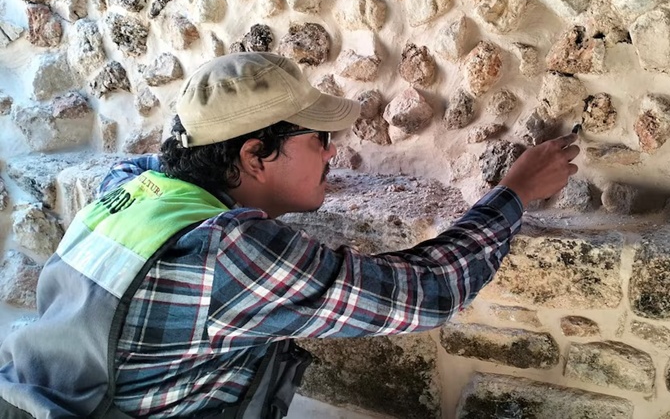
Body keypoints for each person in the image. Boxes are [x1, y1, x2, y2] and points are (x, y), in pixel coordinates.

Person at [0, 52, 579, 419]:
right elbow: (427, 292)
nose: (333, 154)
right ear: (255, 155)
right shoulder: (226, 255)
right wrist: (516, 191)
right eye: (319, 141)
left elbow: (170, 158)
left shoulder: (131, 188)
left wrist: (285, 180)